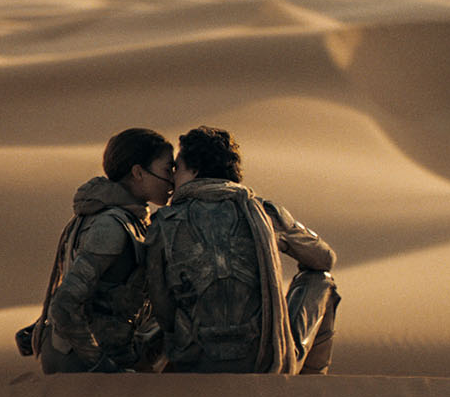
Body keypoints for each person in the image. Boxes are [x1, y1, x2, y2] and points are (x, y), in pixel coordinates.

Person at [147, 126, 340, 374]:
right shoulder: (262, 212)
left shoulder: (164, 222)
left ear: (194, 170)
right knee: (320, 279)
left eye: (178, 168)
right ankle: (306, 388)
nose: (173, 178)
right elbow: (324, 258)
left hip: (193, 361)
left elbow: (161, 305)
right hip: (264, 362)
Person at [25, 128, 175, 374]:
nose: (172, 180)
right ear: (138, 172)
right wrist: (100, 365)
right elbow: (65, 303)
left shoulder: (109, 217)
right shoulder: (112, 225)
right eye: (167, 169)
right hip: (82, 365)